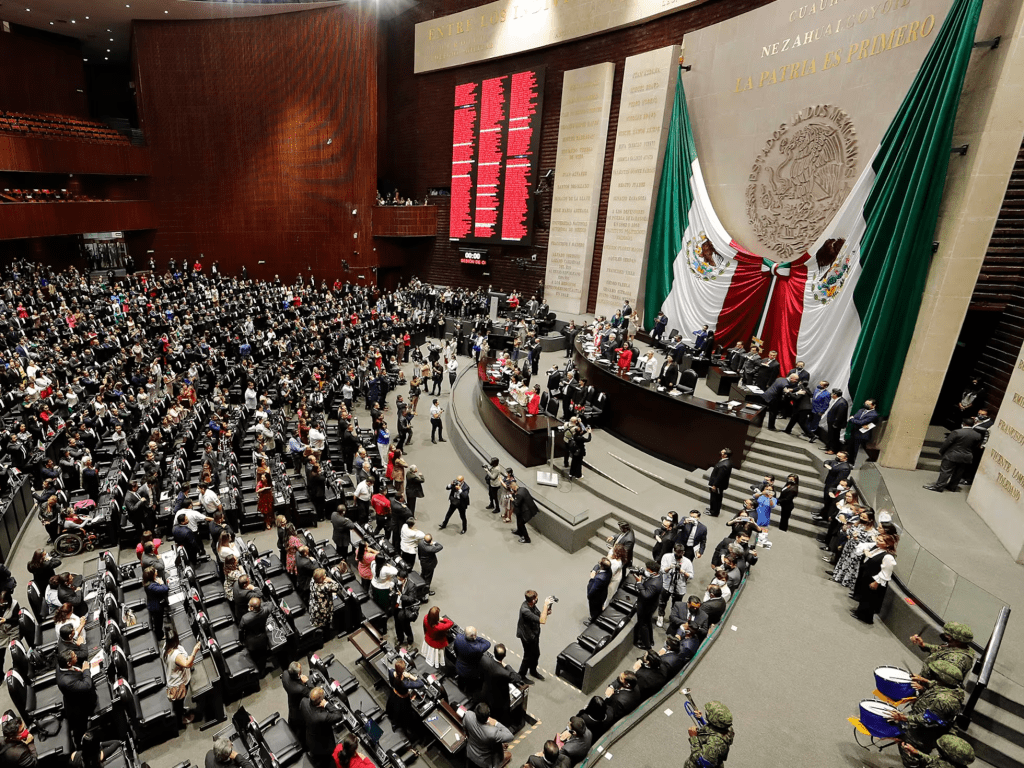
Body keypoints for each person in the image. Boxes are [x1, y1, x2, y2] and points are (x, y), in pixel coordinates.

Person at [886, 661, 966, 752]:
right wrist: (920, 695)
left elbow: (928, 720)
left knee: (908, 750)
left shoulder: (944, 700)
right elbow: (934, 687)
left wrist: (903, 717)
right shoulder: (951, 687)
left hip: (922, 734)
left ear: (943, 678)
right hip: (923, 717)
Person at [850, 534, 899, 624]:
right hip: (868, 576)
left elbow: (886, 573)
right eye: (878, 539)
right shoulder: (878, 549)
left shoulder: (888, 557)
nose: (877, 541)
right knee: (864, 596)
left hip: (875, 580)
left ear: (887, 544)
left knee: (870, 600)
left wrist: (877, 582)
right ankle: (859, 612)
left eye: (880, 541)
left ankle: (866, 618)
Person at [924, 419, 983, 492]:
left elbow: (947, 443)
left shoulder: (957, 432)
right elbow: (975, 446)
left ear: (963, 424)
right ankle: (952, 487)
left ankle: (938, 487)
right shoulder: (977, 435)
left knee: (946, 471)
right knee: (959, 472)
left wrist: (942, 451)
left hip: (952, 455)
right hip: (966, 456)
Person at [910, 622, 975, 683]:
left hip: (931, 690)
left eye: (948, 635)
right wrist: (922, 644)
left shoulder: (955, 660)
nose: (945, 635)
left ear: (957, 640)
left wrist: (923, 681)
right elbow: (940, 650)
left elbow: (943, 685)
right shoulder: (958, 647)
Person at [57, 649, 99, 742]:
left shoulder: (62, 664)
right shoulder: (67, 681)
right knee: (80, 730)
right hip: (78, 707)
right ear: (69, 663)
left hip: (76, 696)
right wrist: (86, 670)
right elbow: (87, 686)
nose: (76, 656)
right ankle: (81, 746)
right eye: (74, 656)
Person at [163, 628, 203, 727]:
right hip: (178, 685)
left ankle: (180, 712)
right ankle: (180, 721)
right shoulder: (175, 655)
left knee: (179, 704)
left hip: (175, 680)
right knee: (179, 704)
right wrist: (194, 651)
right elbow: (187, 663)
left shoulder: (166, 646)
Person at [301, 687, 347, 768]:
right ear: (320, 701)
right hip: (324, 747)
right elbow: (338, 715)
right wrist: (326, 704)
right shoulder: (322, 716)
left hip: (310, 739)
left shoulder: (304, 702)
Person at [684, 701, 735, 768]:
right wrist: (701, 719)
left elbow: (702, 762)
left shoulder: (714, 745)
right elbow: (713, 732)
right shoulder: (727, 729)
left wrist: (693, 737)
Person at [463, 702, 514, 768]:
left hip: (471, 752)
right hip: (484, 761)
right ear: (488, 716)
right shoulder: (492, 732)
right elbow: (510, 736)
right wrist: (496, 723)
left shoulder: (468, 715)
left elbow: (465, 727)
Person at [517, 590, 552, 680]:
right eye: (536, 598)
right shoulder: (525, 610)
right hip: (527, 637)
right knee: (527, 656)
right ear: (533, 600)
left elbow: (539, 616)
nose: (537, 600)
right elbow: (542, 621)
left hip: (534, 634)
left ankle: (533, 671)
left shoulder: (532, 605)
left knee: (536, 654)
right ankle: (521, 675)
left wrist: (546, 612)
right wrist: (545, 606)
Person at [656, 545, 693, 627]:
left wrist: (683, 572)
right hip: (666, 584)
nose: (678, 555)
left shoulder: (687, 562)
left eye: (680, 553)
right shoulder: (666, 557)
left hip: (679, 587)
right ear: (674, 550)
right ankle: (660, 616)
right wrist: (669, 567)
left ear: (683, 552)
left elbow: (691, 576)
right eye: (677, 553)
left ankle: (673, 619)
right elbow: (662, 570)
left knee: (676, 605)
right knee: (662, 601)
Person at [281, 661, 311, 748]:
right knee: (301, 729)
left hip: (291, 703)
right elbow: (311, 694)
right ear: (299, 673)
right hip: (299, 709)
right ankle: (303, 747)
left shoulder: (285, 675)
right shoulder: (300, 689)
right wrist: (307, 682)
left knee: (292, 723)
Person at [898, 735, 976, 768]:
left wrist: (911, 755)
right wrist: (917, 753)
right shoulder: (957, 764)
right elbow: (934, 761)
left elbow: (933, 763)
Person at [633, 561, 662, 650]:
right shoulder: (659, 576)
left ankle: (647, 645)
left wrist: (639, 583)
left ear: (653, 572)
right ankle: (651, 640)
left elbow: (646, 595)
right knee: (648, 622)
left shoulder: (654, 584)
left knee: (643, 625)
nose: (646, 571)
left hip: (645, 607)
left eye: (647, 570)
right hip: (652, 604)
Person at [239, 596, 271, 675]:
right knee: (262, 657)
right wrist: (260, 605)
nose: (248, 605)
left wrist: (241, 641)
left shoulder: (245, 618)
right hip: (262, 639)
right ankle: (262, 672)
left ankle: (257, 671)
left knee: (254, 657)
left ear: (252, 608)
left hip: (250, 642)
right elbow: (270, 603)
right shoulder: (266, 610)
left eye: (249, 605)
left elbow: (240, 631)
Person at [308, 568, 340, 633]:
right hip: (323, 609)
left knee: (318, 619)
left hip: (314, 605)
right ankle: (326, 633)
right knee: (325, 622)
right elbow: (337, 586)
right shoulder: (325, 586)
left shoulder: (312, 580)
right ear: (322, 578)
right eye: (324, 575)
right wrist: (330, 580)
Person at [847, 399, 879, 464]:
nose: (865, 405)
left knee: (857, 451)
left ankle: (854, 464)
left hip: (862, 435)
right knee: (850, 449)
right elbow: (855, 420)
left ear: (873, 406)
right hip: (854, 432)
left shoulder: (874, 414)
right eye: (865, 403)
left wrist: (853, 419)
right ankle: (848, 462)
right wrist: (854, 420)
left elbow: (861, 422)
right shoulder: (861, 410)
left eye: (868, 404)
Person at [143, 566, 169, 640]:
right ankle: (160, 636)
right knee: (158, 622)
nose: (156, 570)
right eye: (155, 571)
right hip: (156, 607)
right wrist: (162, 583)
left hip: (153, 602)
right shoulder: (151, 586)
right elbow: (165, 589)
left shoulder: (148, 582)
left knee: (157, 621)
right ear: (152, 575)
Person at [823, 388, 850, 454]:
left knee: (834, 437)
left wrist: (835, 423)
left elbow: (840, 415)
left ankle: (833, 449)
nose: (831, 395)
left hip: (835, 424)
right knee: (830, 435)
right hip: (831, 422)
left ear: (836, 394)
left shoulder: (842, 403)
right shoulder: (837, 400)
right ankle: (828, 447)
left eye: (832, 394)